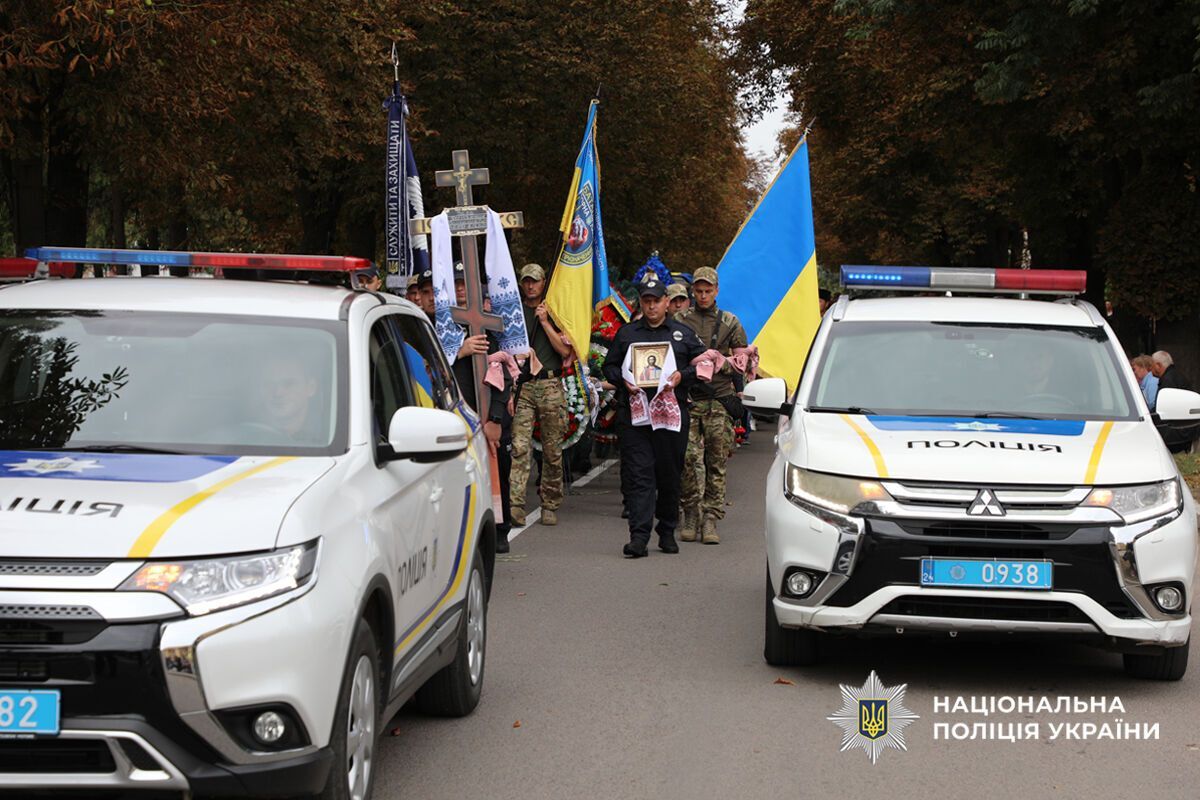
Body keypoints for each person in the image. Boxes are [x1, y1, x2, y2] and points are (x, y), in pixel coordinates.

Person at [603, 276, 706, 558]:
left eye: (656, 301)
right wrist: (623, 380)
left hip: (671, 417)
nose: (651, 307)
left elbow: (704, 366)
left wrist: (680, 376)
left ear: (666, 303)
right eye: (646, 301)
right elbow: (609, 366)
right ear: (642, 303)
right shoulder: (627, 334)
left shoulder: (682, 334)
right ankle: (639, 537)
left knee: (669, 474)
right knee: (639, 475)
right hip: (635, 417)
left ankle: (667, 530)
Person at [675, 266, 747, 545]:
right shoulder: (680, 320)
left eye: (708, 291)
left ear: (716, 291)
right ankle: (690, 513)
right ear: (693, 290)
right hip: (690, 399)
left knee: (716, 461)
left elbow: (745, 363)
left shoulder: (730, 322)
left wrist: (723, 363)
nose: (703, 295)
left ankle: (711, 518)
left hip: (719, 400)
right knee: (688, 460)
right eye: (699, 290)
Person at [510, 263, 572, 527]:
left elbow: (565, 352)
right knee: (520, 447)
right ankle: (515, 504)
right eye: (526, 281)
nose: (531, 285)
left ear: (544, 282)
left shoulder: (555, 311)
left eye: (535, 281)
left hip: (550, 385)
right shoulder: (514, 312)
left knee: (552, 450)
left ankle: (550, 502)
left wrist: (545, 322)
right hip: (524, 386)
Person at [255, 354, 323, 443]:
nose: (277, 393)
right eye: (269, 384)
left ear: (311, 388)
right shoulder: (245, 435)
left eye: (289, 384)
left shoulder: (325, 435)